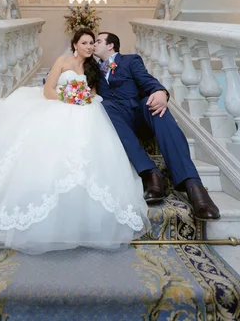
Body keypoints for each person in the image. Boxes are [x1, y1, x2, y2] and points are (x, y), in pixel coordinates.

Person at [0, 28, 149, 255]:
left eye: (90, 44)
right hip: (58, 103)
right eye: (84, 43)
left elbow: (93, 92)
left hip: (84, 108)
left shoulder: (92, 67)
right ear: (75, 44)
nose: (88, 47)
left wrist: (82, 98)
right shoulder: (62, 60)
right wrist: (69, 98)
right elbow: (48, 90)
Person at [94, 32, 220, 221]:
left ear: (110, 45)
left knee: (155, 106)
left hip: (137, 115)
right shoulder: (91, 69)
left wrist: (160, 92)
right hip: (116, 120)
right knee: (102, 106)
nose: (93, 45)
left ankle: (193, 185)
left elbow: (146, 80)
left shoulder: (129, 60)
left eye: (98, 41)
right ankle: (151, 173)